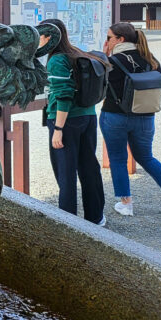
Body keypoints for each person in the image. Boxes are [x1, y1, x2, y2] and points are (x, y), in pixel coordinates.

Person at [101, 22, 161, 219]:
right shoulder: (151, 59)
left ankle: (126, 204)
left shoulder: (112, 60)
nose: (106, 41)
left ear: (120, 40)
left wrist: (105, 57)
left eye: (109, 38)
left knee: (117, 158)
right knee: (146, 157)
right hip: (145, 117)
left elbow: (101, 90)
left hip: (115, 116)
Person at [39, 18, 107, 225]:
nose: (38, 40)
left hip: (66, 121)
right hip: (88, 116)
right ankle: (95, 217)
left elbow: (63, 95)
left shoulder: (57, 60)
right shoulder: (76, 53)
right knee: (88, 166)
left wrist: (58, 128)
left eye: (40, 36)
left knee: (65, 172)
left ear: (49, 37)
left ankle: (68, 221)